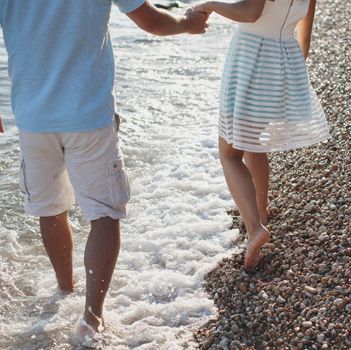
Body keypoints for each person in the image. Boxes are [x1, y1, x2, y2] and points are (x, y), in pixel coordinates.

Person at [0, 0, 207, 342]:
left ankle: (64, 290)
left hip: (33, 119)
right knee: (104, 214)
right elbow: (151, 22)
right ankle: (91, 318)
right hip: (89, 116)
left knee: (50, 209)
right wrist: (186, 23)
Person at [191, 0, 329, 271]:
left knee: (229, 154)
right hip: (283, 63)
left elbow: (249, 13)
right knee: (254, 142)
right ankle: (259, 211)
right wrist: (289, 78)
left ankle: (255, 228)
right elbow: (305, 39)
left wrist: (211, 6)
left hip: (251, 59)